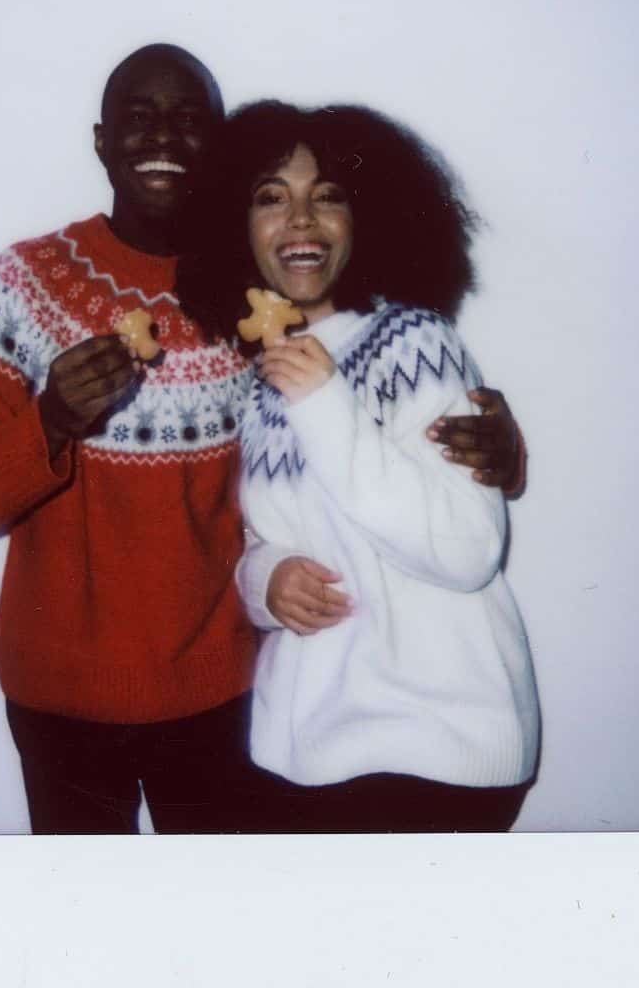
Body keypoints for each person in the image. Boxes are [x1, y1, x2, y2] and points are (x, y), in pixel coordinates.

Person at [0, 44, 523, 834]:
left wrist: (494, 446)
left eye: (188, 120)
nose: (162, 137)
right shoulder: (25, 281)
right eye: (137, 117)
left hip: (226, 703)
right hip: (58, 699)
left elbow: (344, 441)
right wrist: (51, 420)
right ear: (101, 140)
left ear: (218, 149)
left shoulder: (258, 307)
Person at [174, 100, 540, 833]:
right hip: (306, 750)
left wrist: (324, 401)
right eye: (271, 198)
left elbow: (469, 550)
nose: (301, 220)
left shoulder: (415, 343)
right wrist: (265, 581)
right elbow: (262, 541)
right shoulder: (260, 384)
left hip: (435, 743)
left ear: (366, 218)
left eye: (328, 197)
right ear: (237, 228)